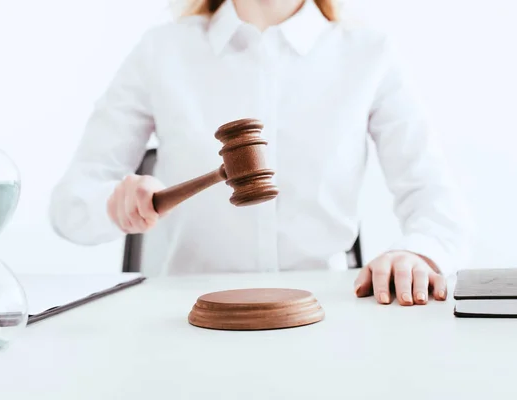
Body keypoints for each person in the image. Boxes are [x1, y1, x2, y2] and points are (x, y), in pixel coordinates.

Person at [49, 0, 472, 306]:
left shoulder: (369, 54)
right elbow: (70, 207)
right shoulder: (161, 51)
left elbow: (437, 205)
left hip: (325, 314)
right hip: (186, 318)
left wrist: (417, 252)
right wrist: (114, 204)